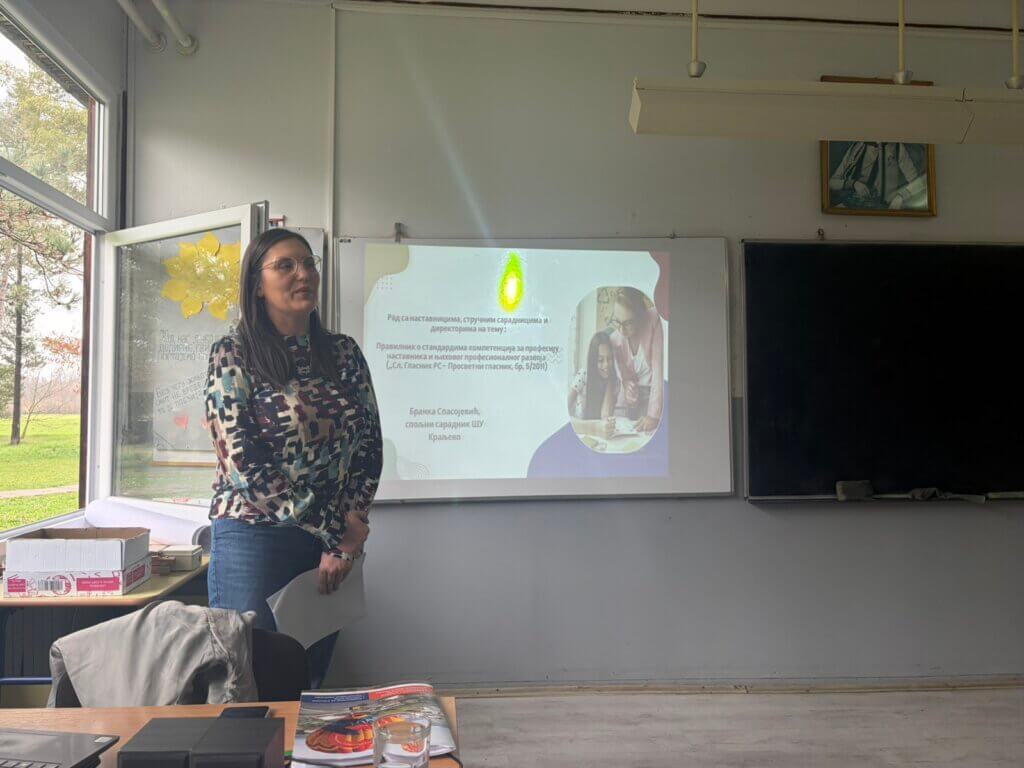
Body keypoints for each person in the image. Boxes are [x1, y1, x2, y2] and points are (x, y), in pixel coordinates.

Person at [204, 228, 382, 688]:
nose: (303, 274)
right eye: (285, 265)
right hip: (254, 537)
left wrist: (343, 541)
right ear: (257, 285)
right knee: (251, 682)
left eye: (308, 263)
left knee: (308, 681)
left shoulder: (344, 354)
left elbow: (368, 449)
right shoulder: (233, 354)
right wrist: (336, 529)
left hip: (328, 546)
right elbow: (242, 463)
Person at [608, 287, 664, 433]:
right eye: (617, 321)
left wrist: (653, 415)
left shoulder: (653, 320)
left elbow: (659, 371)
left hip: (655, 396)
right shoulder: (614, 339)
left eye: (628, 323)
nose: (621, 330)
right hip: (631, 401)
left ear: (640, 316)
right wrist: (627, 386)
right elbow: (624, 377)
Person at [568, 331, 620, 440]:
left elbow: (605, 417)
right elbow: (563, 413)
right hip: (580, 435)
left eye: (609, 359)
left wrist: (609, 381)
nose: (606, 364)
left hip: (600, 437)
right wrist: (593, 428)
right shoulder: (583, 375)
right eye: (600, 360)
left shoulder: (615, 382)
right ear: (593, 361)